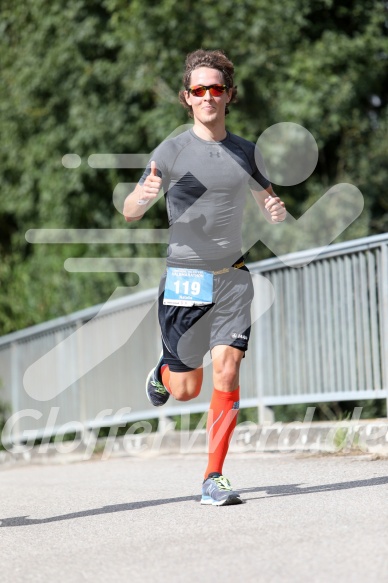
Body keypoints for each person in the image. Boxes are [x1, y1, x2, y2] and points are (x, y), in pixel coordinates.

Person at [123, 49, 286, 506]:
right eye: (199, 90)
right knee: (185, 388)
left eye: (217, 88)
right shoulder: (171, 151)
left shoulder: (245, 151)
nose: (209, 96)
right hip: (186, 279)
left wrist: (274, 209)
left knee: (228, 368)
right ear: (187, 98)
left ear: (229, 95)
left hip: (232, 275)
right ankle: (164, 370)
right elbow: (130, 211)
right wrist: (143, 196)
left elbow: (267, 201)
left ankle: (213, 476)